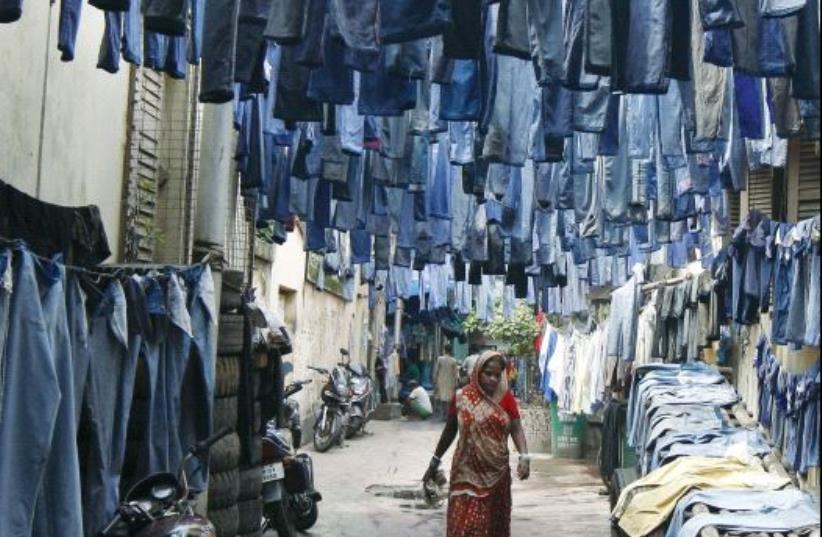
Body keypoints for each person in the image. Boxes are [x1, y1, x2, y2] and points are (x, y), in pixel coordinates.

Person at [422, 351, 530, 537]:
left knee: (492, 528)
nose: (493, 379)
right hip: (465, 472)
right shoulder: (462, 397)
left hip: (496, 476)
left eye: (497, 375)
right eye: (488, 373)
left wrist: (524, 456)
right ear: (478, 372)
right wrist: (434, 462)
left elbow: (516, 428)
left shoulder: (506, 399)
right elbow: (449, 431)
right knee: (464, 526)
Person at [432, 344, 459, 420]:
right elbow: (456, 373)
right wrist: (456, 383)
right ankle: (447, 415)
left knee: (442, 399)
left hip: (441, 381)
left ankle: (444, 414)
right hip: (450, 382)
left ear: (444, 350)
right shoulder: (453, 360)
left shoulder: (440, 359)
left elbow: (436, 370)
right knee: (449, 399)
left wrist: (434, 379)